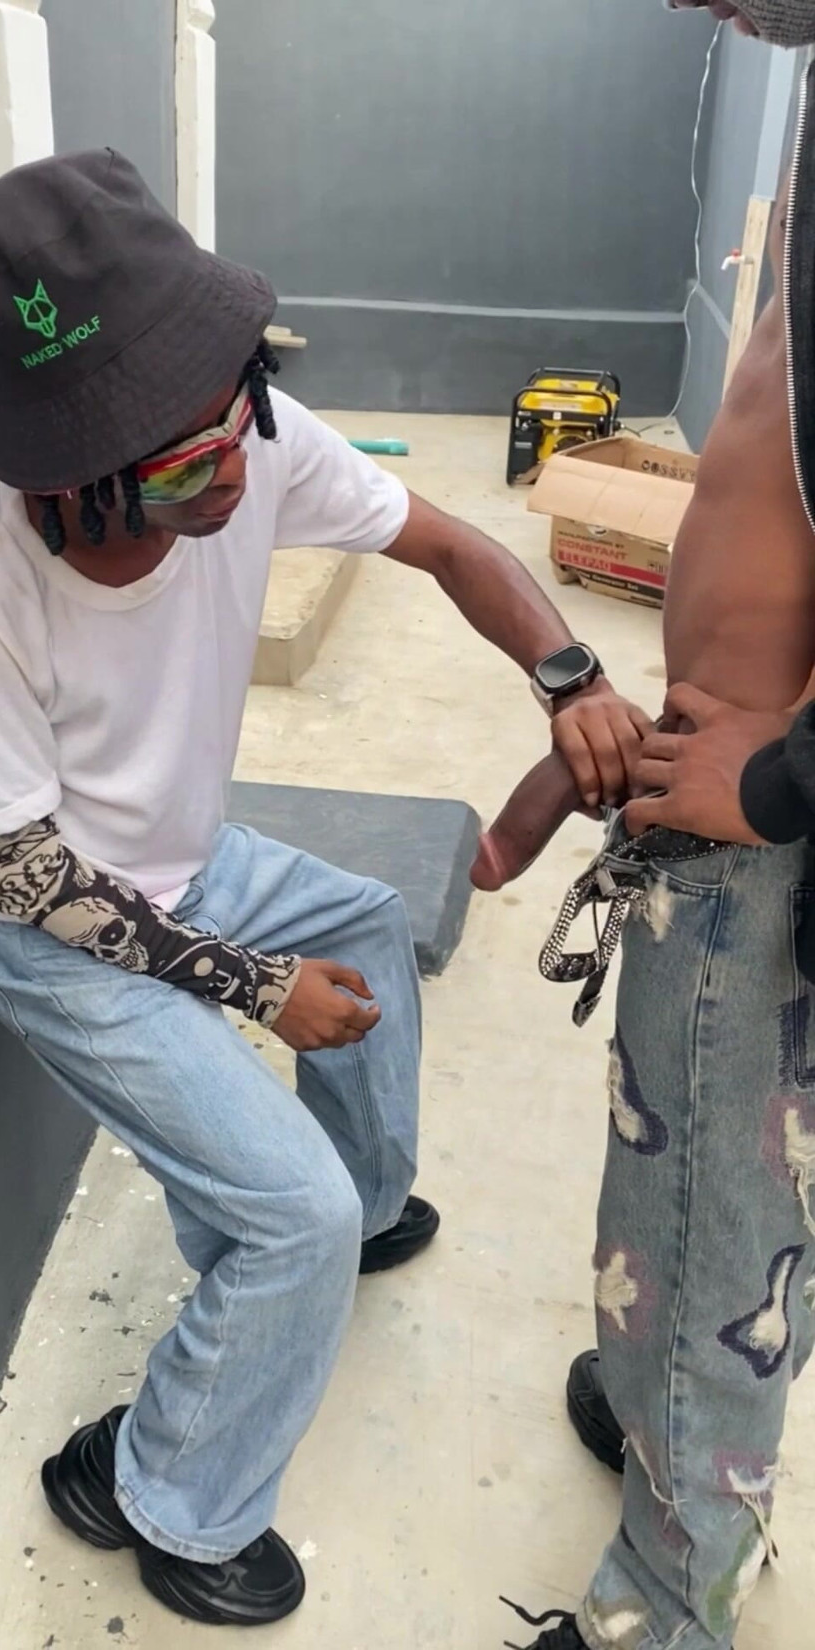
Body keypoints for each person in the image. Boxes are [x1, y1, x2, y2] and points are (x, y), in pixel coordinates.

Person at [0, 151, 647, 1629]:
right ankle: (158, 1487)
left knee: (368, 925)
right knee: (282, 1211)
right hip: (45, 930)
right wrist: (257, 990)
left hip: (183, 856)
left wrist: (571, 677)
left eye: (240, 411)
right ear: (61, 485)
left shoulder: (240, 437)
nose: (236, 472)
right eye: (184, 467)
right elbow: (25, 871)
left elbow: (448, 544)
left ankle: (359, 1212)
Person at [490, 5, 815, 1649]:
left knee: (714, 1231)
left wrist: (785, 779)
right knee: (672, 1164)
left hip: (771, 840)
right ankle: (652, 1395)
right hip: (727, 812)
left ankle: (674, 1600)